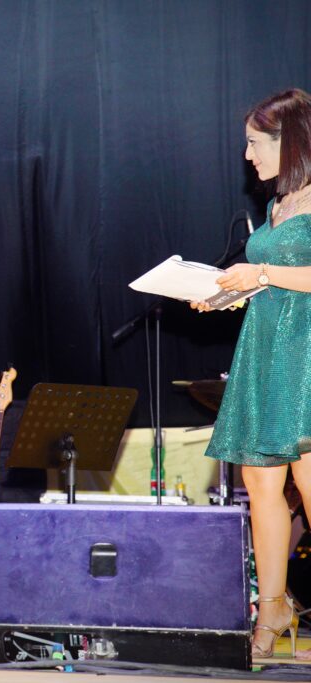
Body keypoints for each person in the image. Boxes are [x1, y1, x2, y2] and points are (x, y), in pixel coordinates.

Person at [197, 88, 311, 661]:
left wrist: (259, 269)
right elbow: (275, 282)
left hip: (307, 354)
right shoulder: (279, 205)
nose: (247, 155)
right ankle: (273, 605)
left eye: (254, 142)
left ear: (289, 142)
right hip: (266, 346)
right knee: (258, 482)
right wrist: (222, 294)